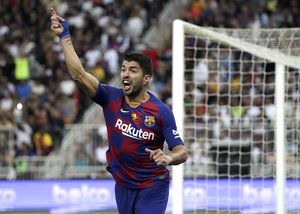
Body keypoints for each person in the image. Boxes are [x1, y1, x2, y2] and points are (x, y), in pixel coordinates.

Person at [50, 8, 188, 214]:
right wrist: (65, 37)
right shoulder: (110, 98)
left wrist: (168, 158)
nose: (125, 74)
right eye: (123, 69)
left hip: (153, 185)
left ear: (146, 78)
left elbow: (182, 151)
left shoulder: (161, 111)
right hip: (122, 184)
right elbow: (79, 75)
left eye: (133, 70)